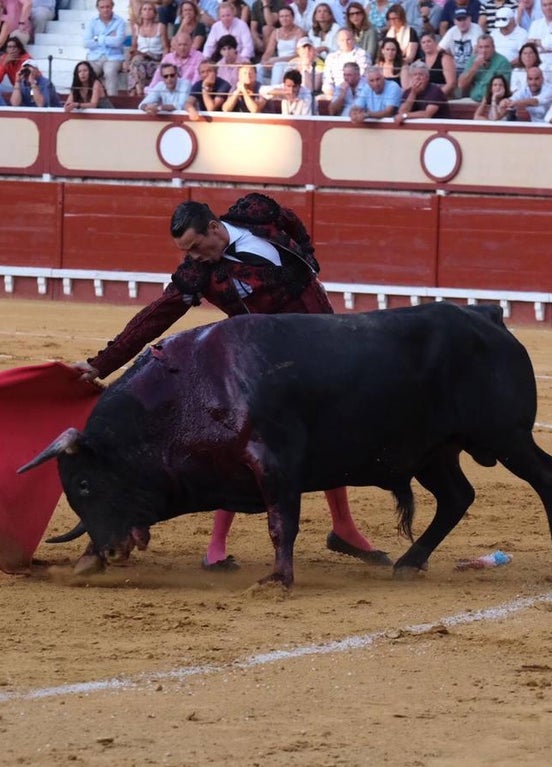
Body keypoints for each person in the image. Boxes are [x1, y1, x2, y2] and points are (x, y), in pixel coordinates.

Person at [70, 195, 387, 571]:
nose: (194, 256)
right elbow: (156, 316)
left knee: (325, 430)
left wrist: (308, 253)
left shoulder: (256, 214)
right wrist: (102, 363)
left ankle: (343, 527)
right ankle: (215, 547)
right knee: (246, 443)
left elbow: (290, 220)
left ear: (215, 229)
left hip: (325, 337)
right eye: (186, 251)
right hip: (271, 363)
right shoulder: (200, 274)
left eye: (196, 246)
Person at [84, 0, 127, 95]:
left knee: (110, 71)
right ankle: (88, 99)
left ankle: (112, 101)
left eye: (108, 7)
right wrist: (108, 38)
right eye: (102, 7)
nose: (105, 9)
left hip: (114, 57)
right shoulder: (92, 22)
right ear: (97, 8)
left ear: (112, 7)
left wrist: (96, 38)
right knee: (87, 72)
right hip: (95, 57)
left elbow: (118, 42)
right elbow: (86, 43)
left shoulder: (120, 21)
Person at [127, 0, 167, 96]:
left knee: (136, 64)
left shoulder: (160, 27)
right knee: (136, 62)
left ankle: (134, 92)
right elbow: (133, 47)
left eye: (150, 9)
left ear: (154, 13)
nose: (147, 11)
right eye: (144, 9)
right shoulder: (137, 27)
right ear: (141, 13)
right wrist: (127, 60)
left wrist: (164, 62)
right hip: (141, 58)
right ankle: (139, 90)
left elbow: (165, 47)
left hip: (156, 58)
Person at [456, 33, 510, 101]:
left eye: (487, 47)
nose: (483, 50)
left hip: (492, 102)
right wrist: (474, 67)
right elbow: (461, 85)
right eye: (481, 47)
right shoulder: (473, 60)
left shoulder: (502, 62)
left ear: (493, 47)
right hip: (472, 100)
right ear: (477, 48)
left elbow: (501, 90)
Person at [262, 5, 306, 83]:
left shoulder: (300, 32)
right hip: (278, 62)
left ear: (293, 17)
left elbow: (298, 54)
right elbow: (268, 52)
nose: (284, 19)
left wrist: (277, 60)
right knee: (258, 67)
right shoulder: (276, 32)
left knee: (279, 66)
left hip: (293, 62)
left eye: (287, 16)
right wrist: (264, 61)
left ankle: (274, 91)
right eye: (281, 16)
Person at [322, 27, 368, 94]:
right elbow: (327, 79)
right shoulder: (331, 57)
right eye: (342, 40)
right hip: (334, 93)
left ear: (354, 39)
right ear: (337, 41)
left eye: (348, 39)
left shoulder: (362, 54)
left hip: (356, 92)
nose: (345, 43)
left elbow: (363, 76)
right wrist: (330, 93)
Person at [441, 5, 481, 74]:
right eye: (459, 20)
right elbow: (440, 48)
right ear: (454, 21)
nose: (462, 22)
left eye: (464, 19)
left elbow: (476, 50)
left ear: (470, 19)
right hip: (455, 69)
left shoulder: (476, 29)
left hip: (472, 69)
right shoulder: (452, 30)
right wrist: (450, 57)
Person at [419, 30, 456, 95]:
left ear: (435, 43)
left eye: (429, 41)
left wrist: (436, 96)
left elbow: (451, 83)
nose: (426, 44)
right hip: (424, 95)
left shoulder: (445, 58)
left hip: (442, 95)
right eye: (423, 42)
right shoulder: (420, 62)